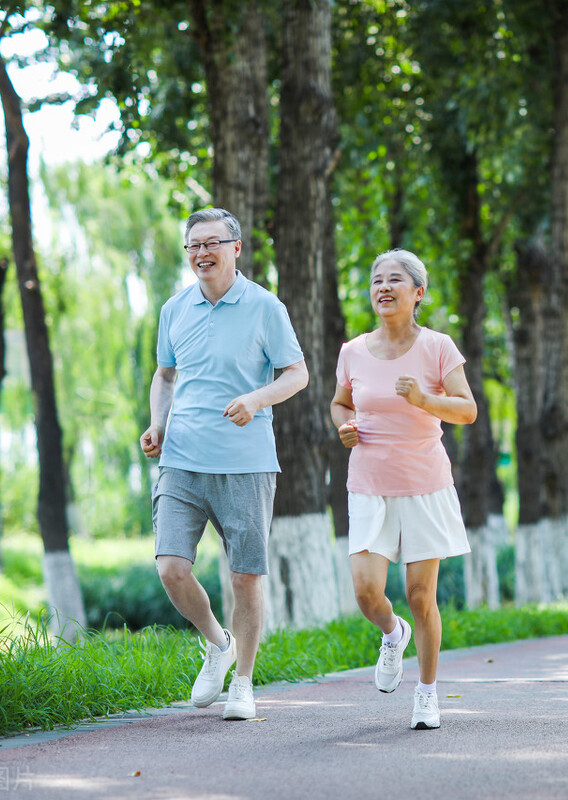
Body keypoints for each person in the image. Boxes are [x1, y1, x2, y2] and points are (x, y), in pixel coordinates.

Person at [140, 208, 308, 721]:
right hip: (182, 458)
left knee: (245, 577)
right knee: (171, 568)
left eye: (212, 243)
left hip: (245, 463)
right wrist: (158, 424)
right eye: (193, 246)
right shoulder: (175, 309)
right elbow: (165, 375)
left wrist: (257, 400)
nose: (201, 253)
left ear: (236, 248)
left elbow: (297, 373)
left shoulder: (264, 306)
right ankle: (218, 642)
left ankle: (244, 682)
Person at [330, 248, 477, 730]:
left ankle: (427, 693)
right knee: (367, 593)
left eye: (395, 279)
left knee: (420, 594)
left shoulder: (438, 347)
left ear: (418, 293)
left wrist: (424, 399)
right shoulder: (352, 351)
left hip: (423, 485)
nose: (383, 287)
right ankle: (393, 635)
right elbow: (339, 404)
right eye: (376, 280)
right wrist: (346, 426)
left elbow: (467, 409)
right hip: (369, 485)